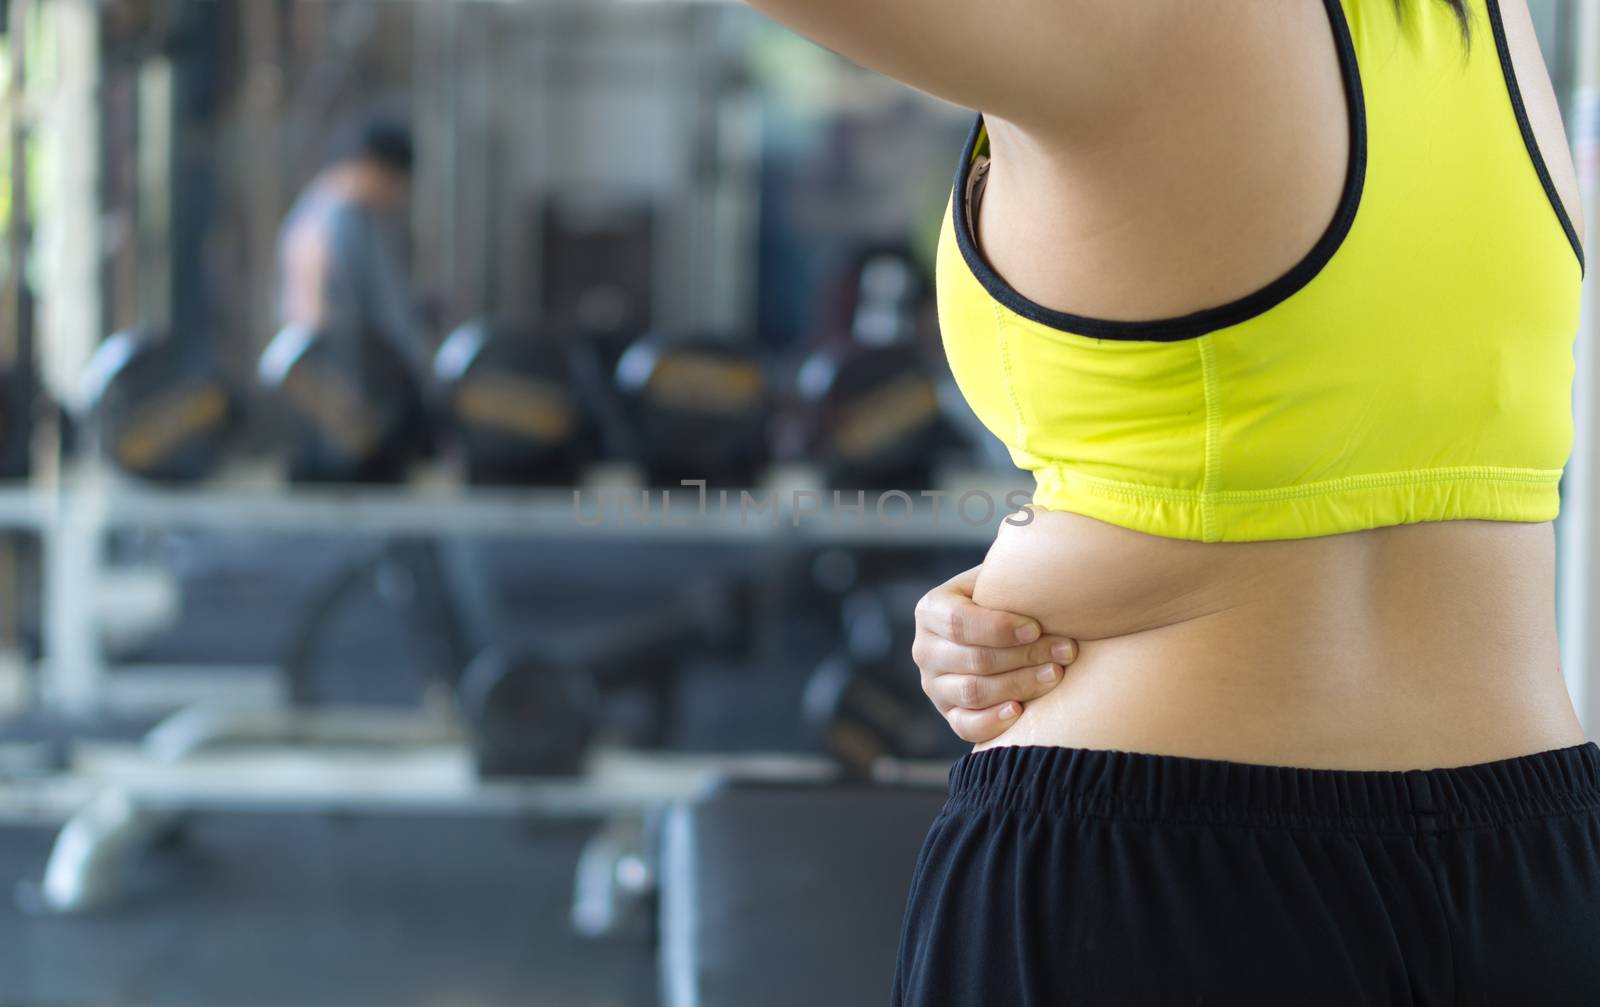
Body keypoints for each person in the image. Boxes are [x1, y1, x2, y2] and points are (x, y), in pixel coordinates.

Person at [748, 0, 1595, 1002]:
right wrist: (1053, 556)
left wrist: (1075, 560)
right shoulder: (1490, 34)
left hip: (1154, 873)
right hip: (1532, 864)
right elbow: (1295, 447)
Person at [275, 114, 429, 379]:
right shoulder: (331, 218)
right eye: (397, 184)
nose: (398, 198)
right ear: (374, 167)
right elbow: (311, 315)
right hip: (342, 385)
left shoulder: (355, 217)